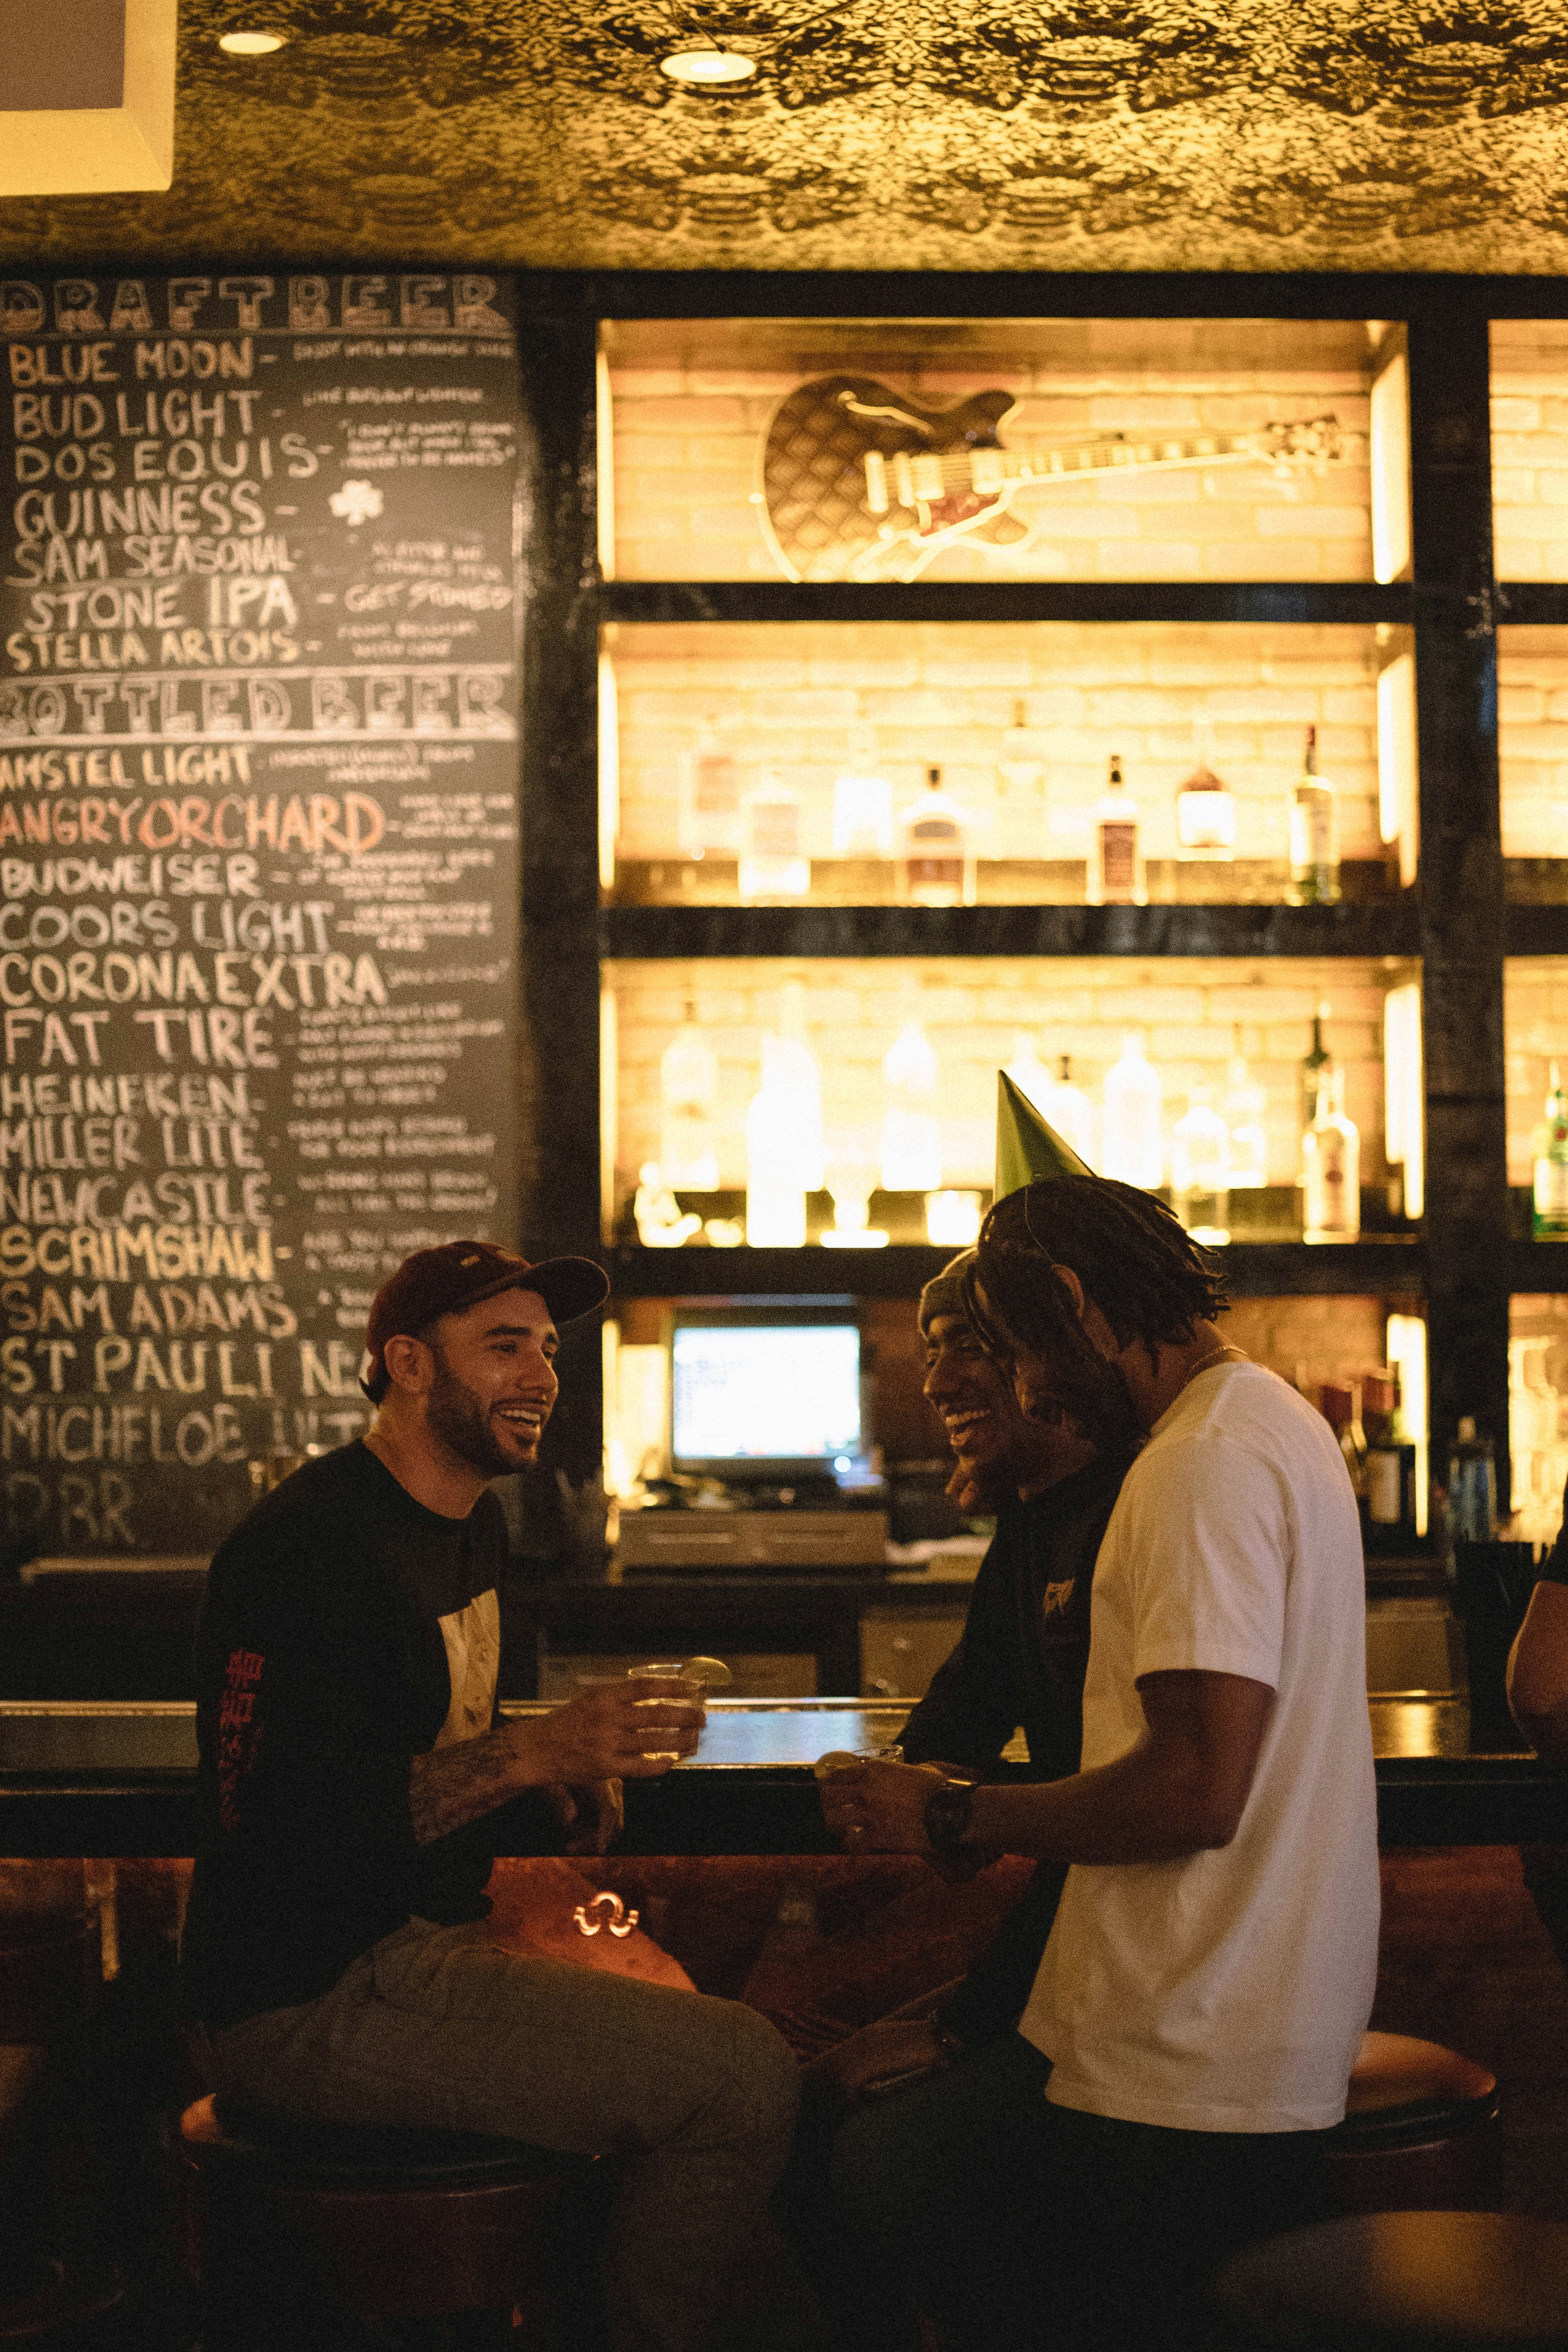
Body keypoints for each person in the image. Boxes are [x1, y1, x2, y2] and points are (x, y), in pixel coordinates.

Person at [180, 1240, 798, 2352]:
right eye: (504, 1344)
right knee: (741, 2077)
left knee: (731, 2042)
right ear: (408, 1363)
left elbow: (429, 1745)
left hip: (427, 1947)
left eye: (549, 1348)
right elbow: (282, 1830)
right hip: (308, 1992)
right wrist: (529, 1757)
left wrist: (555, 1784)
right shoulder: (307, 1548)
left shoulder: (475, 1521)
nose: (543, 1374)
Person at [819, 1177, 1380, 2351]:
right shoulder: (1272, 1423)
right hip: (1226, 2014)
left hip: (1183, 2036)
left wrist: (951, 1813)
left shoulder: (1197, 1466)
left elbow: (1192, 1788)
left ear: (1071, 1298)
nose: (1030, 1389)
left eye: (1023, 1346)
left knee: (873, 2185)